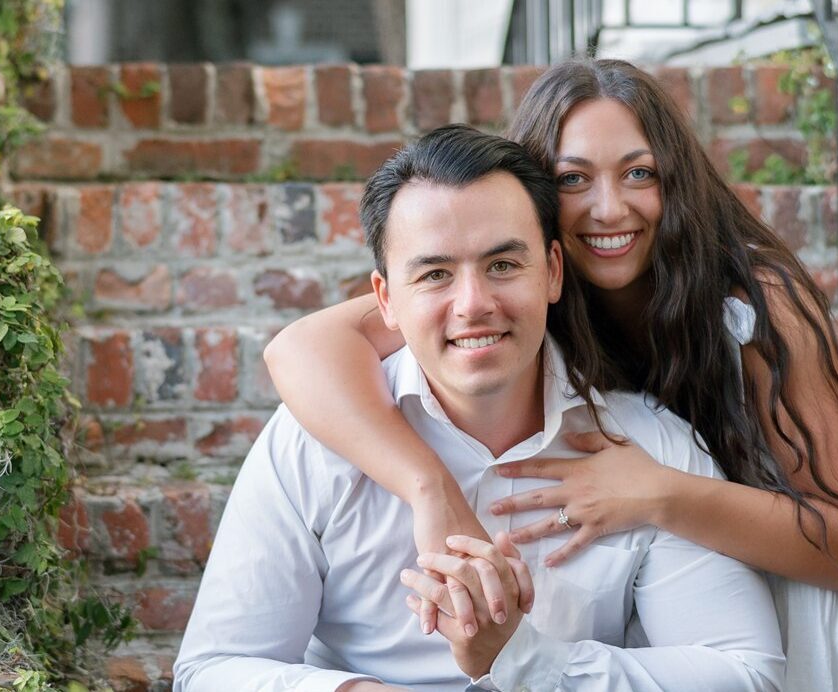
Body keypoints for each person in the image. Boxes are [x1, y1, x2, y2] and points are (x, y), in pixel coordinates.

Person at [265, 59, 838, 684]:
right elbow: (297, 349)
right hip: (681, 555)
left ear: (673, 178)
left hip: (814, 547)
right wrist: (429, 487)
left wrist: (656, 492)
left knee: (799, 597)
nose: (609, 207)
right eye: (573, 179)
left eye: (638, 173)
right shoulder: (506, 283)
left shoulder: (752, 299)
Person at [173, 125, 786, 691]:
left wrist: (525, 659)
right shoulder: (311, 442)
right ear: (385, 300)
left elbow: (746, 673)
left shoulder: (647, 445)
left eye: (502, 265)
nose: (473, 304)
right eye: (435, 274)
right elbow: (210, 670)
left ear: (552, 272)